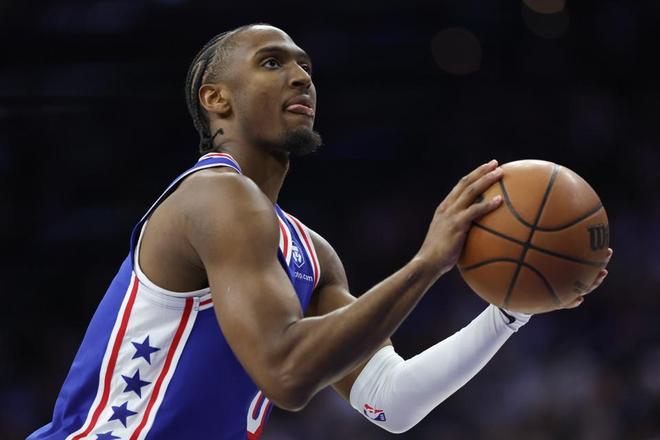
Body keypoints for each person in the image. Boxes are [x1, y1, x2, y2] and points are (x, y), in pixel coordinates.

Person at [29, 23, 611, 439]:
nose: (300, 76)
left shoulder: (310, 252)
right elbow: (285, 373)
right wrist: (426, 263)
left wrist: (508, 312)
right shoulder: (214, 194)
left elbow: (391, 401)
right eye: (272, 63)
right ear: (216, 99)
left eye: (305, 65)